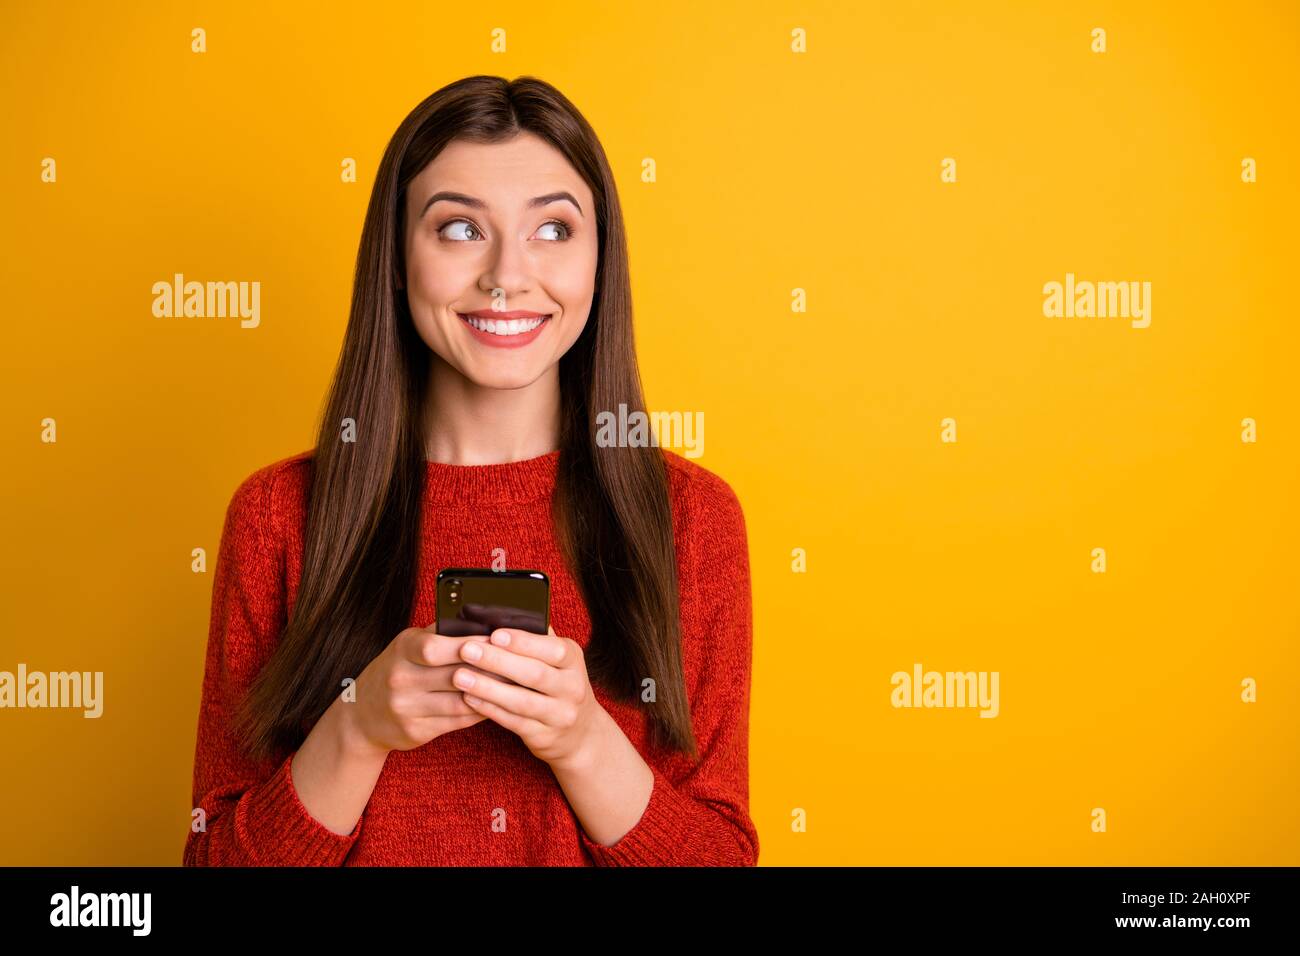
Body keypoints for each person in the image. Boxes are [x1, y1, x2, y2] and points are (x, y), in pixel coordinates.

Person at [183, 75, 758, 866]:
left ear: (600, 260)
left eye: (553, 230)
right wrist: (360, 724)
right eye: (459, 229)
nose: (507, 275)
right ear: (395, 258)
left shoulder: (693, 519)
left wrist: (583, 741)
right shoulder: (277, 515)